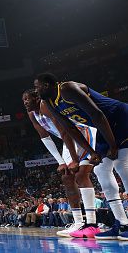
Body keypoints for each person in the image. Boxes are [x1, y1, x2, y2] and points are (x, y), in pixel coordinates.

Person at [35, 73, 128, 240]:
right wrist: (91, 152)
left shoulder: (67, 89)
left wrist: (113, 145)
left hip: (120, 118)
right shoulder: (51, 103)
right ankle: (122, 223)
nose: (36, 90)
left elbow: (97, 114)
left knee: (122, 165)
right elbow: (70, 129)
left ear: (47, 85)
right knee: (101, 170)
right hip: (104, 128)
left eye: (38, 86)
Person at [22, 88, 98, 237]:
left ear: (37, 98)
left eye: (27, 99)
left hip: (81, 132)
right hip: (68, 140)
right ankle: (78, 223)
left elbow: (64, 130)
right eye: (23, 100)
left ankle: (91, 223)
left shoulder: (45, 105)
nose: (24, 102)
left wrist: (73, 159)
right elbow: (45, 137)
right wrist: (60, 162)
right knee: (66, 177)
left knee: (81, 175)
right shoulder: (32, 114)